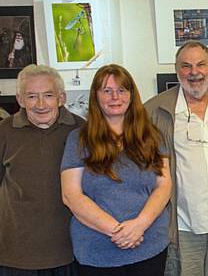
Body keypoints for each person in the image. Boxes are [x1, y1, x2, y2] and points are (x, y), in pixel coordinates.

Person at [60, 64, 171, 276]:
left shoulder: (152, 137)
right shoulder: (78, 139)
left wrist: (139, 225)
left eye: (121, 90)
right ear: (96, 96)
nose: (115, 97)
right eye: (107, 91)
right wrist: (119, 232)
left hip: (149, 245)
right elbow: (71, 195)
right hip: (97, 252)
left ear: (131, 95)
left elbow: (164, 185)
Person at [145, 40, 208, 276]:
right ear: (177, 70)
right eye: (186, 66)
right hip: (183, 225)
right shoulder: (155, 109)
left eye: (201, 64)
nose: (194, 72)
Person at [0, 65, 83, 276]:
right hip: (15, 255)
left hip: (69, 252)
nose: (40, 104)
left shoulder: (81, 130)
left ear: (61, 97)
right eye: (31, 96)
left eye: (48, 95)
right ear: (20, 100)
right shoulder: (4, 131)